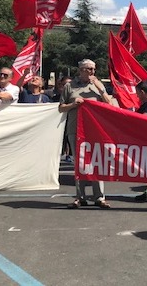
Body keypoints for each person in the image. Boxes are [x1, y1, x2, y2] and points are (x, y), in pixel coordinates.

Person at [59, 59, 112, 209]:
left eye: (93, 69)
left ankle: (99, 197)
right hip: (75, 129)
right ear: (81, 70)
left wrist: (100, 89)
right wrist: (73, 105)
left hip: (95, 130)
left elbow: (110, 105)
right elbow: (61, 108)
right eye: (89, 69)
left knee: (97, 161)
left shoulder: (97, 85)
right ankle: (80, 197)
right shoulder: (70, 86)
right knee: (79, 163)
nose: (92, 72)